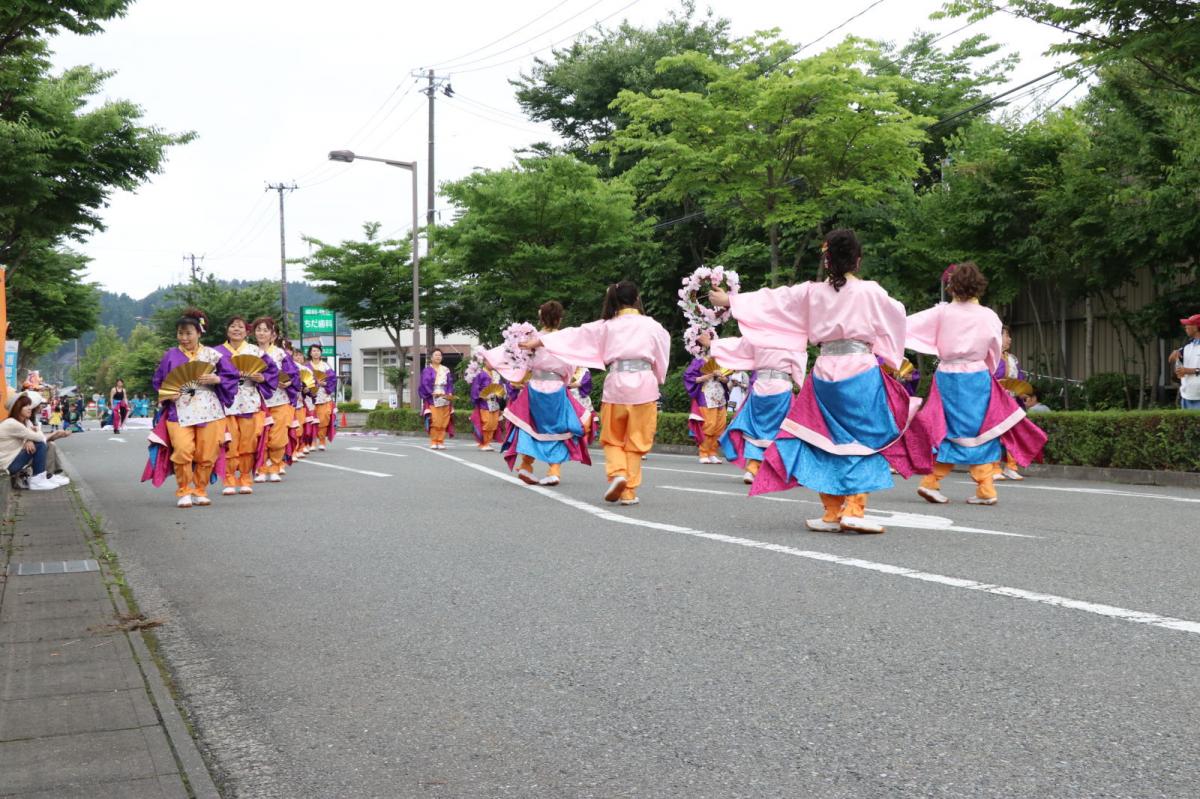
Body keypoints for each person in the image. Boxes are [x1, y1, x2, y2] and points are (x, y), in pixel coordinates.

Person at [709, 229, 926, 534]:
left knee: (821, 440)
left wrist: (732, 301)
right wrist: (890, 356)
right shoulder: (871, 292)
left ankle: (831, 511)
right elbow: (896, 318)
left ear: (827, 260)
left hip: (825, 371)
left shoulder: (811, 292)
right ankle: (854, 509)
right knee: (862, 440)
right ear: (858, 261)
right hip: (861, 369)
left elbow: (774, 301)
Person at [906, 262, 1048, 507]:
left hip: (948, 373)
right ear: (978, 287)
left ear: (952, 287)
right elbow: (994, 350)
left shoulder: (942, 312)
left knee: (945, 426)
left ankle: (932, 480)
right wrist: (989, 371)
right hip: (976, 374)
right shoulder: (988, 316)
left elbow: (906, 326)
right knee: (981, 429)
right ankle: (985, 486)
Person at [524, 281, 670, 507]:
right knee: (637, 441)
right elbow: (662, 354)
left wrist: (540, 340)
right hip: (644, 386)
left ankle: (618, 473)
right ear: (637, 298)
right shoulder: (653, 326)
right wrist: (658, 377)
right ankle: (629, 491)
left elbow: (574, 335)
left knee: (612, 438)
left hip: (617, 386)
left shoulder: (606, 326)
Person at [486, 300, 590, 486]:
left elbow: (519, 363)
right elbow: (570, 368)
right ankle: (554, 471)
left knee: (529, 426)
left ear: (541, 318)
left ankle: (526, 465)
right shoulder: (565, 339)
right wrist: (564, 380)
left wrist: (517, 376)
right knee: (559, 428)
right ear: (560, 318)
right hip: (556, 387)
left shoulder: (531, 339)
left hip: (534, 387)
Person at [144, 308, 238, 508]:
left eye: (188, 333)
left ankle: (200, 489)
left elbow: (232, 378)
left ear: (199, 332)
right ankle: (184, 490)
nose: (184, 337)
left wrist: (217, 378)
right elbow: (159, 381)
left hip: (210, 410)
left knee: (207, 452)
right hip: (179, 410)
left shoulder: (213, 355)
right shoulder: (170, 356)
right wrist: (168, 393)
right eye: (180, 333)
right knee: (183, 450)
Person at [711, 336, 806, 485]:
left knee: (754, 429)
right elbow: (799, 365)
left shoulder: (758, 335)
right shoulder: (790, 336)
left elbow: (738, 349)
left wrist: (712, 345)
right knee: (785, 430)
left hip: (760, 387)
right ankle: (784, 471)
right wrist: (802, 386)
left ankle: (752, 469)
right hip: (780, 386)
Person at [216, 316, 278, 495]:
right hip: (225, 404)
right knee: (230, 441)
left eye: (240, 327)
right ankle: (229, 478)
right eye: (233, 326)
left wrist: (262, 378)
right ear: (227, 330)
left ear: (246, 331)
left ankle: (244, 477)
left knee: (248, 442)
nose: (236, 329)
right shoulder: (216, 352)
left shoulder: (255, 351)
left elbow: (272, 371)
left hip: (249, 402)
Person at [253, 318, 295, 482]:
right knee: (259, 435)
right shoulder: (250, 352)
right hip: (257, 401)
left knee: (278, 437)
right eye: (258, 329)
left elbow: (293, 375)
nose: (261, 333)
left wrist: (290, 382)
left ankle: (275, 465)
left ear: (273, 335)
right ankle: (261, 467)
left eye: (265, 330)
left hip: (279, 400)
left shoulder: (280, 353)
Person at [683, 331, 731, 464]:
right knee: (709, 425)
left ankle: (713, 452)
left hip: (719, 396)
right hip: (706, 396)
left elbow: (728, 380)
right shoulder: (698, 362)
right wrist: (705, 377)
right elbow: (688, 377)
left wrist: (723, 378)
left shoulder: (722, 362)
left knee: (720, 426)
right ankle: (703, 452)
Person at [1, 394, 62, 490]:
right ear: (17, 409)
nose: (30, 408)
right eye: (25, 406)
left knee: (48, 445)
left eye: (30, 405)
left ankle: (47, 476)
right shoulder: (12, 423)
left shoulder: (26, 422)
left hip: (15, 459)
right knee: (40, 445)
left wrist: (29, 440)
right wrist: (37, 430)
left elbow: (30, 436)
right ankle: (38, 480)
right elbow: (40, 438)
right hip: (7, 465)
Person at [992, 324, 1027, 481]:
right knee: (995, 434)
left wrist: (1024, 392)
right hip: (994, 401)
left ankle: (1011, 466)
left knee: (1013, 434)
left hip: (1011, 402)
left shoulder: (1012, 359)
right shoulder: (989, 358)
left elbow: (1019, 379)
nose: (1009, 339)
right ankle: (994, 467)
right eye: (1006, 335)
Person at [419, 349, 456, 449]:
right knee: (435, 420)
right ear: (431, 357)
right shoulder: (427, 370)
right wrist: (431, 392)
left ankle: (440, 441)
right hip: (433, 398)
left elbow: (450, 383)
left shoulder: (445, 369)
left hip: (444, 397)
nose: (438, 357)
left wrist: (449, 393)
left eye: (440, 355)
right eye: (436, 355)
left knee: (444, 420)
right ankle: (434, 441)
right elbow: (424, 383)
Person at [469, 361, 509, 451]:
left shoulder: (496, 375)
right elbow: (475, 388)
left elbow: (500, 388)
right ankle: (483, 443)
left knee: (493, 423)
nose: (491, 363)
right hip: (485, 402)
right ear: (484, 362)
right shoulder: (480, 374)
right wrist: (482, 395)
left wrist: (500, 394)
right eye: (489, 361)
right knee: (486, 422)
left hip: (495, 402)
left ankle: (488, 442)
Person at [306, 344, 337, 450]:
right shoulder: (306, 366)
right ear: (310, 353)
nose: (316, 353)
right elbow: (303, 381)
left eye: (318, 351)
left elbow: (332, 379)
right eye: (313, 351)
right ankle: (313, 441)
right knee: (311, 419)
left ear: (321, 353)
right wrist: (314, 382)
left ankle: (322, 440)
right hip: (310, 397)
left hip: (323, 396)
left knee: (323, 419)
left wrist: (325, 384)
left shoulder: (326, 366)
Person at [1168, 313, 1200, 410]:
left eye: (1188, 325)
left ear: (1196, 327)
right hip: (1186, 395)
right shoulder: (1188, 346)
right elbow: (1170, 359)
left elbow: (1190, 370)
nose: (1185, 327)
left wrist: (1188, 371)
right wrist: (1174, 354)